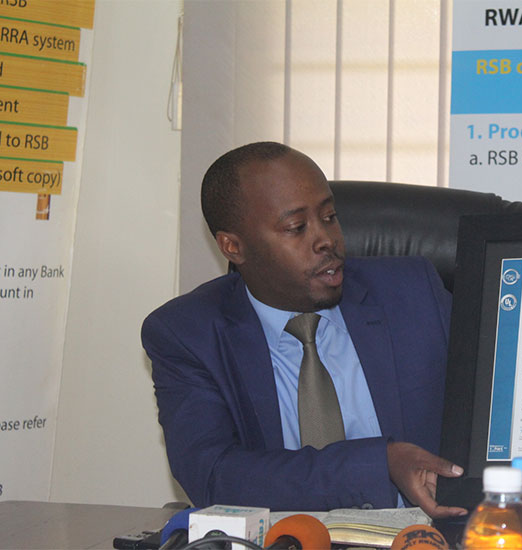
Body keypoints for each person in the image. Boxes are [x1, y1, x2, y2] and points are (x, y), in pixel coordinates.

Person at [142, 142, 467, 518]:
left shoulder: (413, 293)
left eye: (329, 217)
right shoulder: (188, 334)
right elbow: (214, 477)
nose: (326, 240)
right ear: (233, 247)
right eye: (296, 228)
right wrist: (380, 464)